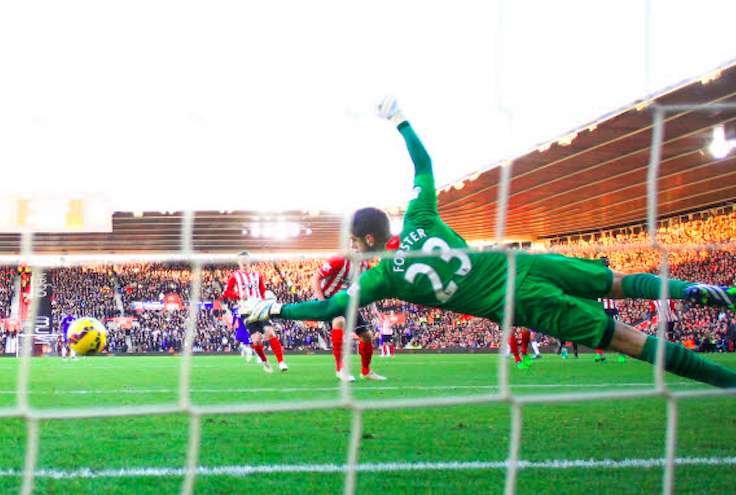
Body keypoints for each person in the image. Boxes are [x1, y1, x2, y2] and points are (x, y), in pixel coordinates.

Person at [242, 97, 736, 389]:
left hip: (521, 300)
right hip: (525, 264)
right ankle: (709, 293)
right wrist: (400, 121)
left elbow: (330, 309)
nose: (353, 249)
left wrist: (277, 310)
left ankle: (726, 381)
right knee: (622, 281)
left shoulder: (382, 276)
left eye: (355, 241)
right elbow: (424, 166)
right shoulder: (420, 214)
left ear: (370, 239)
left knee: (626, 340)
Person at [311, 255, 385, 381]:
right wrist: (322, 301)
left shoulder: (365, 266)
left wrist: (375, 311)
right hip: (330, 300)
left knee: (366, 336)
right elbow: (316, 278)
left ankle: (366, 371)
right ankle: (340, 369)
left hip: (348, 302)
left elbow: (367, 288)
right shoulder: (339, 260)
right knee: (339, 321)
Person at [223, 252, 288, 373]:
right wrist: (239, 295)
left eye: (246, 260)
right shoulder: (235, 276)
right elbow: (226, 293)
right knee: (256, 340)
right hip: (246, 311)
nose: (244, 263)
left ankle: (281, 362)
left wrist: (267, 304)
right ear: (239, 263)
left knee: (270, 332)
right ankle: (264, 361)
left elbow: (263, 292)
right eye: (242, 261)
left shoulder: (257, 275)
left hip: (260, 308)